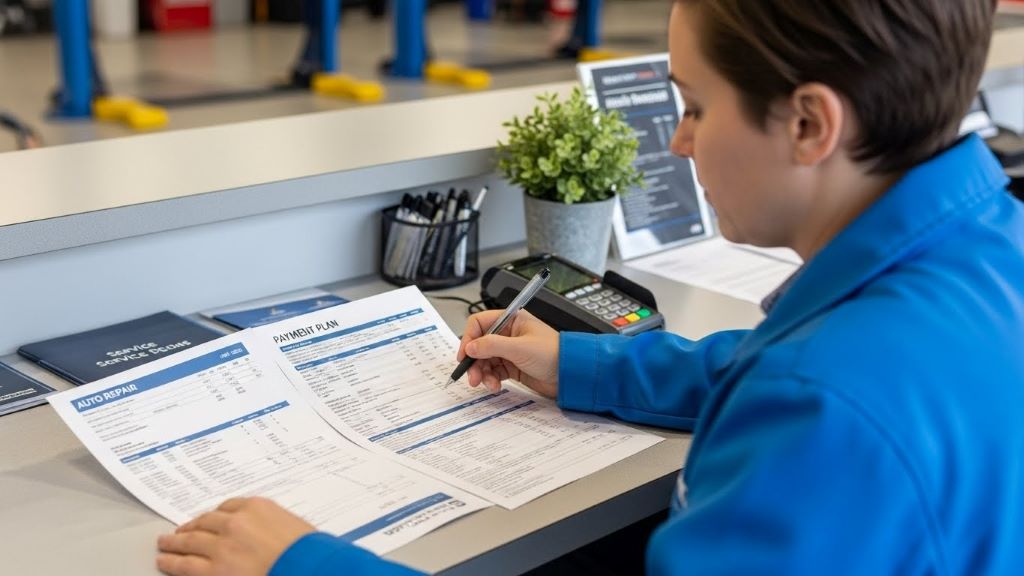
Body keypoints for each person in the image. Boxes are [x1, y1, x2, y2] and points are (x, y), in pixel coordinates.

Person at [155, 0, 1024, 574]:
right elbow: (781, 368)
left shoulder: (831, 412)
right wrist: (592, 367)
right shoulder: (984, 248)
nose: (679, 144)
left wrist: (304, 563)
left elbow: (819, 394)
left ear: (808, 123)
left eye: (693, 105)